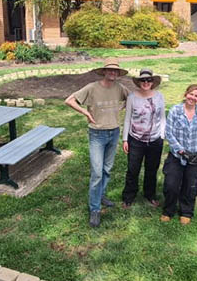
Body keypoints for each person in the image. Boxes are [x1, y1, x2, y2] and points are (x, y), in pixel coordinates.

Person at [65, 61, 129, 228]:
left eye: (116, 71)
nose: (113, 73)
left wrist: (123, 107)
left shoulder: (120, 88)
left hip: (114, 132)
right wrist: (85, 112)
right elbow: (69, 100)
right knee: (97, 172)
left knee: (107, 169)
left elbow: (133, 99)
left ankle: (100, 195)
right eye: (110, 70)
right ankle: (95, 209)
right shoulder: (92, 87)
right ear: (104, 71)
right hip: (97, 134)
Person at [161, 84, 197, 225]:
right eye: (191, 94)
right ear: (185, 94)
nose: (193, 98)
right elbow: (169, 133)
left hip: (196, 157)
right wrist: (181, 150)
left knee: (190, 185)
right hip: (178, 156)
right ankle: (168, 210)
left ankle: (186, 211)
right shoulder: (175, 111)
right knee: (171, 184)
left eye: (196, 96)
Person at [121, 69, 165, 208]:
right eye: (143, 80)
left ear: (153, 82)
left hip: (155, 139)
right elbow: (127, 118)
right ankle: (129, 197)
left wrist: (162, 135)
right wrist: (125, 139)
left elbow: (162, 116)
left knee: (152, 169)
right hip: (135, 139)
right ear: (139, 82)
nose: (146, 82)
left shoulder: (159, 96)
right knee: (133, 169)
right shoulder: (132, 97)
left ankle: (150, 194)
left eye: (148, 80)